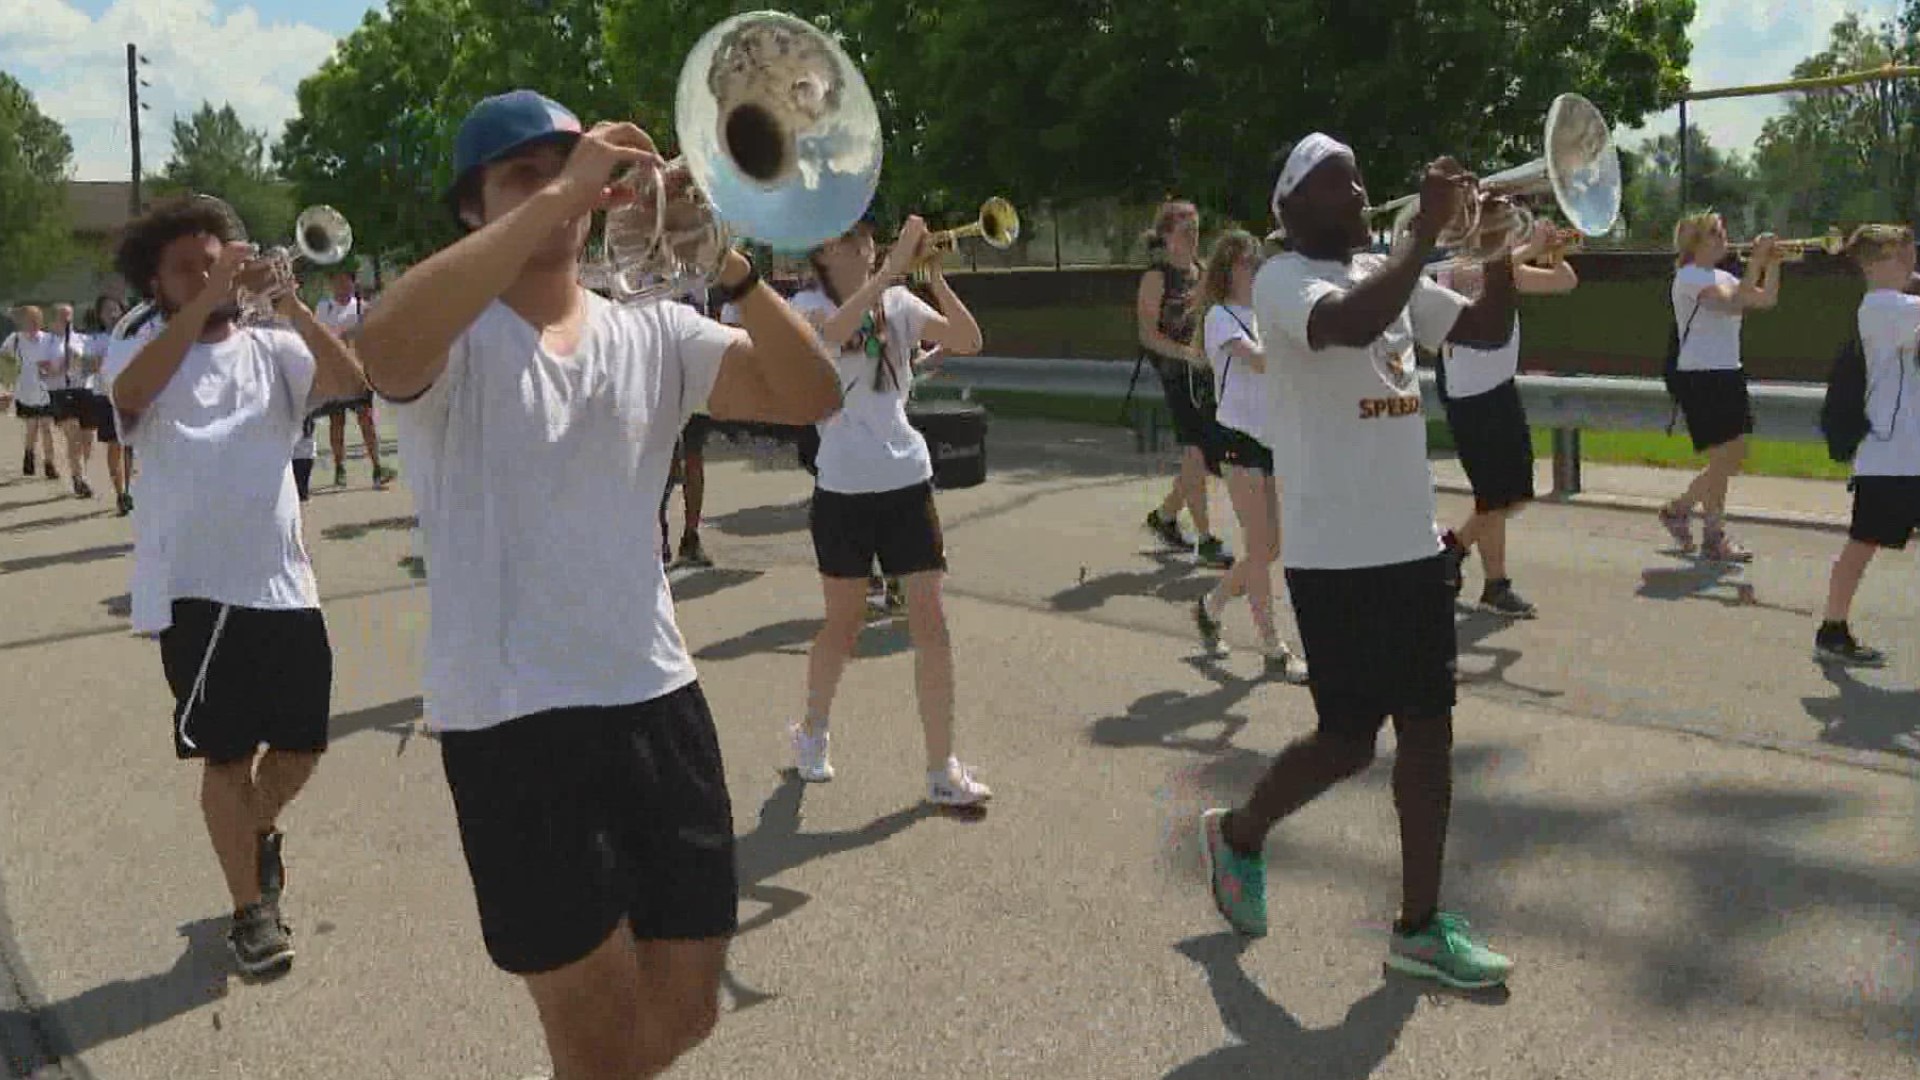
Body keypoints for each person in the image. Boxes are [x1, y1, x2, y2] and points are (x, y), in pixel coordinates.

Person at [351, 90, 840, 1079]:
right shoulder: (458, 337)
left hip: (656, 699)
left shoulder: (652, 332)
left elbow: (811, 395)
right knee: (599, 1037)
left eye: (566, 170)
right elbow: (384, 349)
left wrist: (730, 268)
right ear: (472, 208)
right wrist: (560, 195)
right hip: (512, 724)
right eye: (519, 178)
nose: (553, 193)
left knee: (685, 1013)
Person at [1199, 134, 1521, 989]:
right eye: (1344, 185)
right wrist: (1424, 239)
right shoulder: (1283, 280)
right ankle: (1239, 833)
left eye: (1361, 180)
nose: (1363, 194)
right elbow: (1348, 326)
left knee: (1428, 730)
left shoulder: (1388, 268)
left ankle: (1418, 927)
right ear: (1295, 205)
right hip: (1333, 555)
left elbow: (1485, 329)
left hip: (1409, 547)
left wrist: (1495, 254)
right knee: (1347, 743)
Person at [103, 194, 369, 976]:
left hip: (285, 583)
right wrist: (206, 304)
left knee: (302, 745)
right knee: (226, 758)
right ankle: (252, 910)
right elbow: (128, 396)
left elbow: (350, 381)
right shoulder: (136, 344)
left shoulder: (273, 347)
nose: (207, 275)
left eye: (216, 262)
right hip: (196, 589)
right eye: (186, 268)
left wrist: (285, 298)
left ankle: (252, 840)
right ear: (156, 281)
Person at [783, 213, 992, 805]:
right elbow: (829, 339)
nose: (868, 246)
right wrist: (893, 274)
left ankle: (940, 768)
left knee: (931, 620)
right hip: (844, 487)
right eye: (854, 238)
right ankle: (813, 732)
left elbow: (968, 340)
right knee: (843, 624)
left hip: (907, 477)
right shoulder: (805, 307)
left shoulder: (899, 300)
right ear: (827, 250)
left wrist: (933, 278)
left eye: (870, 238)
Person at [1434, 221, 1580, 616]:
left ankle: (1465, 558)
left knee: (1505, 494)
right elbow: (1479, 274)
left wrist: (1553, 251)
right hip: (1468, 392)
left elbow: (1564, 281)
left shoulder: (1507, 268)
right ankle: (1479, 571)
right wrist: (1530, 247)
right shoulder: (1454, 264)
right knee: (1498, 494)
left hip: (1499, 387)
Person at [1190, 229, 1305, 680]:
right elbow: (1258, 360)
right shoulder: (1220, 317)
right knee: (1260, 547)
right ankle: (1272, 647)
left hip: (1272, 437)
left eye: (1259, 262)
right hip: (1238, 439)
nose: (1256, 270)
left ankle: (1212, 603)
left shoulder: (1262, 313)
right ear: (1228, 270)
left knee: (1270, 546)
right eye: (1247, 264)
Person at [1814, 224, 1920, 666]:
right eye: (1902, 255)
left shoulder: (1898, 305)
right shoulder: (1882, 306)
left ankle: (1832, 630)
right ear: (1875, 264)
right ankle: (1833, 629)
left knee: (1863, 544)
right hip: (1891, 454)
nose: (1911, 262)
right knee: (1862, 544)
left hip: (1908, 452)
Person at [1657, 212, 1783, 561]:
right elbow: (1731, 304)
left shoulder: (1725, 274)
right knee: (1723, 456)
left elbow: (1764, 298)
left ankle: (1680, 509)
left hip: (1729, 371)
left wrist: (1772, 264)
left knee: (1733, 455)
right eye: (1713, 233)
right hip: (1701, 375)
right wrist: (1756, 261)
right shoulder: (1689, 277)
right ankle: (1713, 535)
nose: (1722, 237)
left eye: (1721, 232)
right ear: (1694, 242)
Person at [1138, 200, 1232, 567]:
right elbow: (1147, 335)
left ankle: (1164, 516)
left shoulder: (1202, 271)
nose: (1193, 237)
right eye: (1185, 231)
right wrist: (1185, 354)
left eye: (1196, 230)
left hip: (1205, 376)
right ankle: (1206, 539)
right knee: (1195, 450)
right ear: (1166, 236)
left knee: (1206, 455)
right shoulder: (1156, 277)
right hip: (1177, 375)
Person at [313, 269, 397, 490]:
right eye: (338, 282)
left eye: (346, 281)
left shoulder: (362, 308)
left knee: (366, 420)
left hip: (357, 373)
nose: (343, 286)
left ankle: (377, 467)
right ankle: (339, 468)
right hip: (334, 373)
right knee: (336, 422)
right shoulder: (324, 308)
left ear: (353, 284)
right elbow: (317, 336)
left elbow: (372, 335)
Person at [82, 296, 137, 514]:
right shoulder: (95, 340)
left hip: (130, 395)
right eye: (106, 310)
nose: (112, 314)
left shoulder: (132, 337)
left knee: (130, 447)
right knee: (115, 444)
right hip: (105, 397)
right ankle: (120, 493)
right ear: (99, 315)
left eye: (115, 309)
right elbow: (91, 364)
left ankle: (130, 490)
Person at [42, 304, 95, 497]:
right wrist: (64, 365)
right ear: (53, 320)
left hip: (85, 390)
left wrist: (83, 363)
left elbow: (94, 366)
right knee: (73, 436)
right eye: (62, 317)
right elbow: (43, 370)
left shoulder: (83, 340)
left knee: (87, 440)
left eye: (69, 317)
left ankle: (83, 472)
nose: (67, 321)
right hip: (61, 392)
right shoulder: (46, 343)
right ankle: (78, 478)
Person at [3, 306, 61, 479]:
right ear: (23, 322)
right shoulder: (15, 339)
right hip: (25, 390)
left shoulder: (49, 339)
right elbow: (4, 361)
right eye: (29, 320)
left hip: (46, 390)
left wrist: (51, 367)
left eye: (36, 319)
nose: (33, 323)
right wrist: (6, 387)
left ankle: (50, 464)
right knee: (31, 427)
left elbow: (57, 360)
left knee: (46, 427)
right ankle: (29, 455)